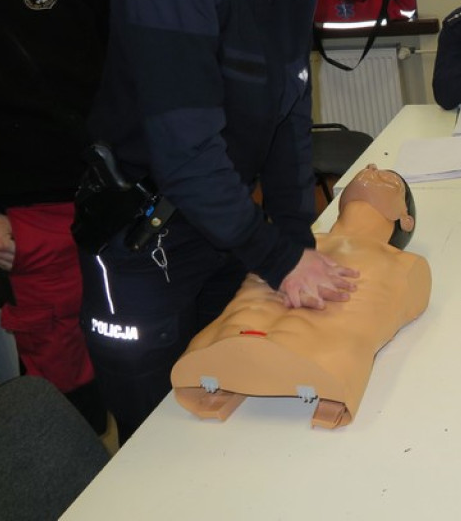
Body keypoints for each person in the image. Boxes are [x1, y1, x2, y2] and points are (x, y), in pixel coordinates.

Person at [74, 0, 364, 444]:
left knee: (235, 402)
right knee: (160, 437)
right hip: (140, 247)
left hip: (222, 227)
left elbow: (291, 115)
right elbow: (187, 157)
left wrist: (296, 241)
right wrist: (279, 257)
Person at [0, 0, 115, 432]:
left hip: (118, 190)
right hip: (27, 220)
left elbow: (131, 44)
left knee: (149, 355)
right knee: (68, 389)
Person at [171, 164, 430, 429]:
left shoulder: (405, 264)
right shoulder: (282, 242)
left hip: (320, 365)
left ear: (405, 219)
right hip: (211, 350)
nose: (372, 169)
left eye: (388, 179)